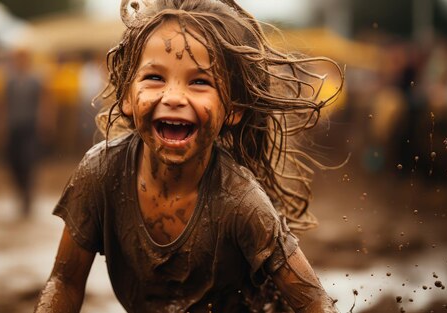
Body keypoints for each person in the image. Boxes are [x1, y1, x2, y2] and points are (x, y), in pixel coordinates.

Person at [35, 0, 343, 312]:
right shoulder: (100, 172)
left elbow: (314, 300)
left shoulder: (241, 201)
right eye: (155, 77)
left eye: (200, 82)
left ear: (233, 109)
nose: (173, 97)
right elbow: (65, 282)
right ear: (127, 96)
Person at [4, 49, 43, 218]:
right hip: (14, 128)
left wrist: (45, 122)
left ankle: (27, 198)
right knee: (13, 163)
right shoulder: (10, 81)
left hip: (30, 127)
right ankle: (21, 193)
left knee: (27, 162)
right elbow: (3, 104)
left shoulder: (35, 81)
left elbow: (44, 101)